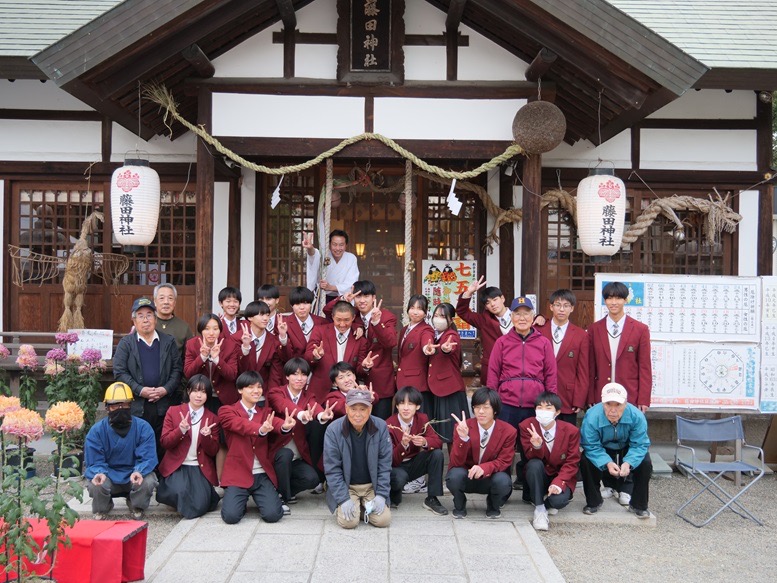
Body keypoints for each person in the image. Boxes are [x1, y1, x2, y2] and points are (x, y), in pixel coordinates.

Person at [487, 296, 557, 492]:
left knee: (531, 448)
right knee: (503, 448)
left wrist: (550, 403)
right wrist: (492, 401)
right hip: (507, 404)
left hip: (534, 405)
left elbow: (551, 373)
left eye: (526, 314)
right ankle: (501, 490)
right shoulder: (502, 342)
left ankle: (530, 490)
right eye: (518, 314)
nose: (522, 318)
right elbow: (493, 372)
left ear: (533, 317)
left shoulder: (543, 343)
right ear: (512, 317)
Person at [218, 370, 296, 524]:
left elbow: (274, 422)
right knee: (231, 517)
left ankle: (271, 499)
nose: (256, 390)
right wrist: (260, 429)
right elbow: (240, 424)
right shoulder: (227, 411)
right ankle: (239, 502)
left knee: (273, 515)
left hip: (261, 474)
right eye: (251, 387)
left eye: (259, 387)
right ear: (240, 390)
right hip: (238, 472)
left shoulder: (265, 412)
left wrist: (285, 426)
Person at [113, 297, 183, 461]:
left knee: (162, 443)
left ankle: (161, 473)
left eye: (149, 315)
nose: (145, 320)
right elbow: (120, 373)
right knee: (138, 442)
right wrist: (140, 390)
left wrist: (165, 389)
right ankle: (141, 472)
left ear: (155, 319)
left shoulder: (168, 342)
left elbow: (177, 370)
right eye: (141, 316)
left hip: (164, 403)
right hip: (138, 404)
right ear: (134, 320)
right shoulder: (126, 343)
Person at [84, 382, 158, 520]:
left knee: (148, 481)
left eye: (124, 405)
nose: (120, 409)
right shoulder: (96, 431)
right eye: (115, 405)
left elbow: (148, 457)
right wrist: (99, 473)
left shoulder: (143, 428)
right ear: (107, 407)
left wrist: (139, 471)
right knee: (95, 483)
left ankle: (136, 505)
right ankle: (103, 507)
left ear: (131, 405)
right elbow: (94, 461)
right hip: (108, 475)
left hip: (134, 475)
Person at [324, 280, 398, 419]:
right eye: (358, 296)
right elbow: (327, 311)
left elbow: (390, 342)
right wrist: (344, 299)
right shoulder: (354, 314)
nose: (362, 300)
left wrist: (376, 322)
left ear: (374, 297)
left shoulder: (386, 317)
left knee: (379, 423)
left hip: (379, 383)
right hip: (354, 382)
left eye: (366, 296)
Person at [267, 358, 335, 507]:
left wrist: (321, 415)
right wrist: (301, 414)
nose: (300, 378)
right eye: (295, 374)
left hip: (297, 456)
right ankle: (282, 497)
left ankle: (282, 491)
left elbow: (313, 406)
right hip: (277, 453)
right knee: (285, 455)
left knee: (312, 479)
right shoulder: (276, 392)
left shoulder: (308, 396)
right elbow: (284, 405)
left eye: (304, 374)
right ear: (287, 376)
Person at [580, 382, 652, 518]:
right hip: (602, 446)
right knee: (585, 459)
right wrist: (607, 462)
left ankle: (639, 505)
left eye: (618, 405)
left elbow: (640, 444)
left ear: (625, 403)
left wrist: (629, 462)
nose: (613, 410)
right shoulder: (592, 416)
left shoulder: (637, 416)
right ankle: (593, 501)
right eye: (608, 404)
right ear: (602, 403)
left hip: (627, 446)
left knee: (645, 462)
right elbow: (590, 445)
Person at [323, 388, 392, 529]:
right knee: (349, 523)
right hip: (348, 486)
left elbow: (385, 464)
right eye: (353, 409)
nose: (358, 414)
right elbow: (332, 469)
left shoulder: (380, 426)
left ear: (370, 409)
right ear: (346, 408)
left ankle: (361, 506)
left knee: (383, 520)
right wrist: (343, 499)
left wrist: (381, 495)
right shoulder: (333, 430)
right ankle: (356, 506)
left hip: (371, 486)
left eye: (363, 409)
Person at [446, 387, 516, 519]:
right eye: (477, 407)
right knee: (454, 475)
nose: (481, 411)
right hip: (467, 476)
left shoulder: (509, 431)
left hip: (490, 477)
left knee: (503, 481)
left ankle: (493, 505)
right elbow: (455, 462)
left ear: (495, 410)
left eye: (486, 407)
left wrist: (484, 468)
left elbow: (504, 460)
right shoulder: (463, 426)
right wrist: (463, 438)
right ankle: (459, 504)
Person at [156, 375, 220, 519]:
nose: (199, 395)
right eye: (195, 391)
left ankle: (193, 500)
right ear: (188, 391)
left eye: (203, 392)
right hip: (177, 466)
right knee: (179, 491)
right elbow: (165, 442)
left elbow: (213, 451)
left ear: (208, 395)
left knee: (201, 503)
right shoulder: (173, 411)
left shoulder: (212, 418)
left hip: (198, 466)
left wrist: (207, 436)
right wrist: (180, 430)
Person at [519, 391, 581, 531]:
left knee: (558, 502)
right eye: (539, 407)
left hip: (560, 475)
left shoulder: (571, 431)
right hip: (539, 474)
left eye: (548, 408)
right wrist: (537, 446)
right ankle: (540, 509)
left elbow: (572, 461)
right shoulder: (527, 426)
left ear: (557, 412)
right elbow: (529, 457)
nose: (543, 411)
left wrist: (559, 482)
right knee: (534, 464)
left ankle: (546, 502)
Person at [588, 281, 652, 411]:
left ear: (625, 300)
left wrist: (643, 399)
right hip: (601, 395)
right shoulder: (594, 329)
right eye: (609, 298)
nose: (613, 302)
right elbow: (590, 367)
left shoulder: (640, 329)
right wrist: (590, 396)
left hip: (629, 395)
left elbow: (645, 367)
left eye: (618, 298)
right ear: (604, 300)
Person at [386, 386, 447, 515]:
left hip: (414, 463)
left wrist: (425, 441)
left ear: (417, 406)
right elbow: (391, 459)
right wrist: (403, 444)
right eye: (402, 403)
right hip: (396, 466)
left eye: (410, 404)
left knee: (436, 454)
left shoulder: (422, 419)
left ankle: (432, 498)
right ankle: (393, 492)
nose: (406, 408)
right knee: (399, 479)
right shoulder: (389, 424)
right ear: (397, 406)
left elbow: (438, 442)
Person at [536, 289, 589, 425]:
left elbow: (583, 370)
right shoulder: (538, 330)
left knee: (566, 433)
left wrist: (579, 399)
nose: (561, 309)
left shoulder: (581, 335)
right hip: (541, 393)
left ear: (572, 308)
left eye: (566, 305)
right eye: (558, 305)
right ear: (551, 306)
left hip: (567, 396)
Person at [304, 301, 371, 405]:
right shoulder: (320, 331)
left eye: (347, 320)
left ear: (353, 318)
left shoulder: (360, 340)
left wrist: (365, 366)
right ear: (332, 317)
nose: (342, 324)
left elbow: (359, 370)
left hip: (348, 393)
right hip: (320, 391)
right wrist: (315, 356)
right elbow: (307, 357)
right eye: (338, 320)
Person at [456, 278, 513, 386]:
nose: (493, 304)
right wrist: (469, 292)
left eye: (495, 300)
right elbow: (462, 312)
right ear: (486, 307)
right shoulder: (484, 320)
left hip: (515, 370)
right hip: (493, 371)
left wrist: (540, 317)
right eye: (488, 302)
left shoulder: (519, 317)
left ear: (502, 298)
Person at [425, 302, 468, 445]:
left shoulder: (451, 335)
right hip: (438, 389)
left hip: (450, 391)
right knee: (442, 433)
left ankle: (455, 459)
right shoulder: (436, 335)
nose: (438, 319)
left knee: (453, 433)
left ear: (451, 320)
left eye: (443, 316)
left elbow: (449, 347)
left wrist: (445, 349)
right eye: (436, 315)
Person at [184, 313, 239, 409]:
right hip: (199, 396)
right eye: (207, 329)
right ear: (201, 330)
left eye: (215, 329)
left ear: (220, 330)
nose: (211, 333)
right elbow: (188, 373)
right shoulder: (192, 344)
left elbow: (232, 375)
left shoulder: (230, 346)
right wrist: (202, 357)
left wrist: (217, 359)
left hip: (224, 398)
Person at [396, 294, 435, 414]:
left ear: (425, 312)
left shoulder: (426, 329)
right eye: (412, 308)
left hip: (417, 385)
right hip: (402, 382)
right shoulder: (404, 329)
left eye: (420, 309)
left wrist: (427, 348)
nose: (415, 312)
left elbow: (426, 340)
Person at [236, 300, 284, 390]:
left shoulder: (274, 341)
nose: (265, 318)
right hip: (241, 390)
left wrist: (271, 395)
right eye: (261, 315)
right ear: (250, 317)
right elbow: (236, 369)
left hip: (263, 391)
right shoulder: (236, 338)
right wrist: (245, 348)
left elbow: (275, 375)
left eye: (267, 315)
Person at [304, 229, 359, 304]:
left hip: (343, 298)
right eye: (334, 244)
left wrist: (330, 287)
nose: (337, 248)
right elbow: (313, 255)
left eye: (341, 245)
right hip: (323, 297)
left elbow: (351, 283)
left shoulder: (351, 258)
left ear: (346, 245)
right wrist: (310, 248)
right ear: (329, 244)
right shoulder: (324, 255)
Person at [280, 286, 329, 360]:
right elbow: (284, 355)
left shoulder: (322, 322)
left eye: (305, 303)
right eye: (297, 304)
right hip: (294, 365)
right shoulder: (284, 324)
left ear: (311, 303)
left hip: (317, 364)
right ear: (291, 306)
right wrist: (283, 337)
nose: (302, 307)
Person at [153, 283, 194, 358]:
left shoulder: (184, 327)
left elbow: (189, 357)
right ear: (155, 301)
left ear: (174, 303)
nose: (166, 302)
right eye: (162, 298)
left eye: (170, 298)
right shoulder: (146, 324)